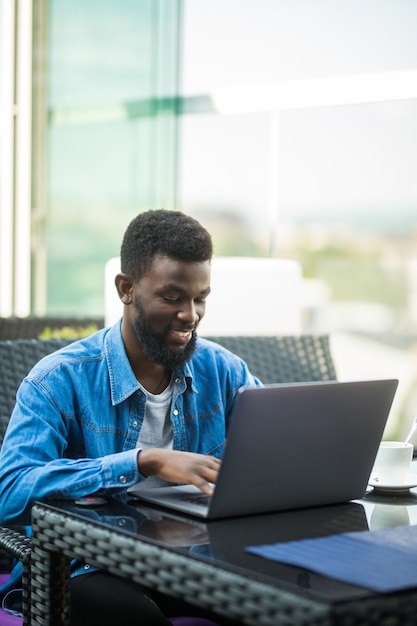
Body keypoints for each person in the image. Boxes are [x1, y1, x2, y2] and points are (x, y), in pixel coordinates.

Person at [0, 209, 262, 625]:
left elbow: (277, 446)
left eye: (200, 298)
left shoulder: (224, 371)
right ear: (126, 289)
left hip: (197, 561)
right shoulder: (60, 378)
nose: (191, 314)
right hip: (85, 566)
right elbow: (10, 492)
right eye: (172, 297)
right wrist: (143, 462)